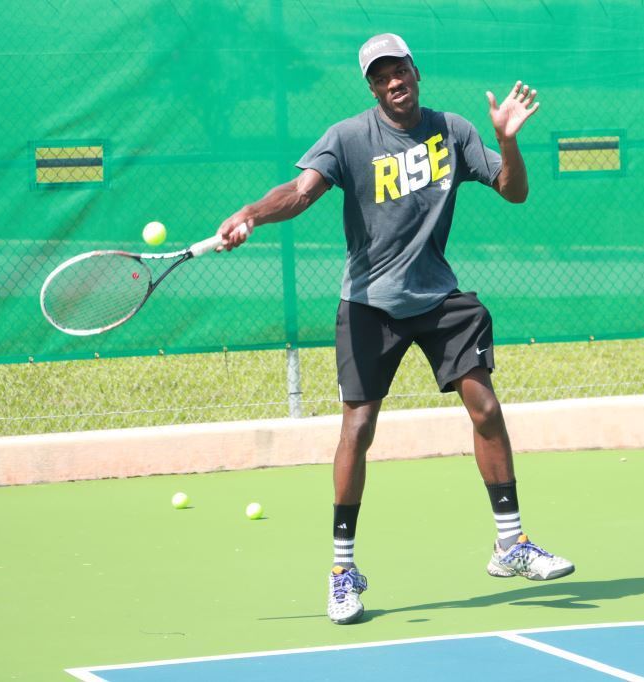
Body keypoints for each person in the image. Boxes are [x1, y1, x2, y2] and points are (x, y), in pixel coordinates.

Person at [217, 33, 573, 625]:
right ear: (372, 87)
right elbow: (301, 192)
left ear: (415, 70)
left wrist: (508, 142)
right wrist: (251, 213)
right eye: (380, 77)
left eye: (399, 70)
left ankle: (511, 543)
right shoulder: (348, 138)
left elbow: (514, 192)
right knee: (357, 429)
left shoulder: (454, 131)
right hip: (368, 303)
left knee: (485, 407)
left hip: (436, 296)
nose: (393, 82)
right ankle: (342, 572)